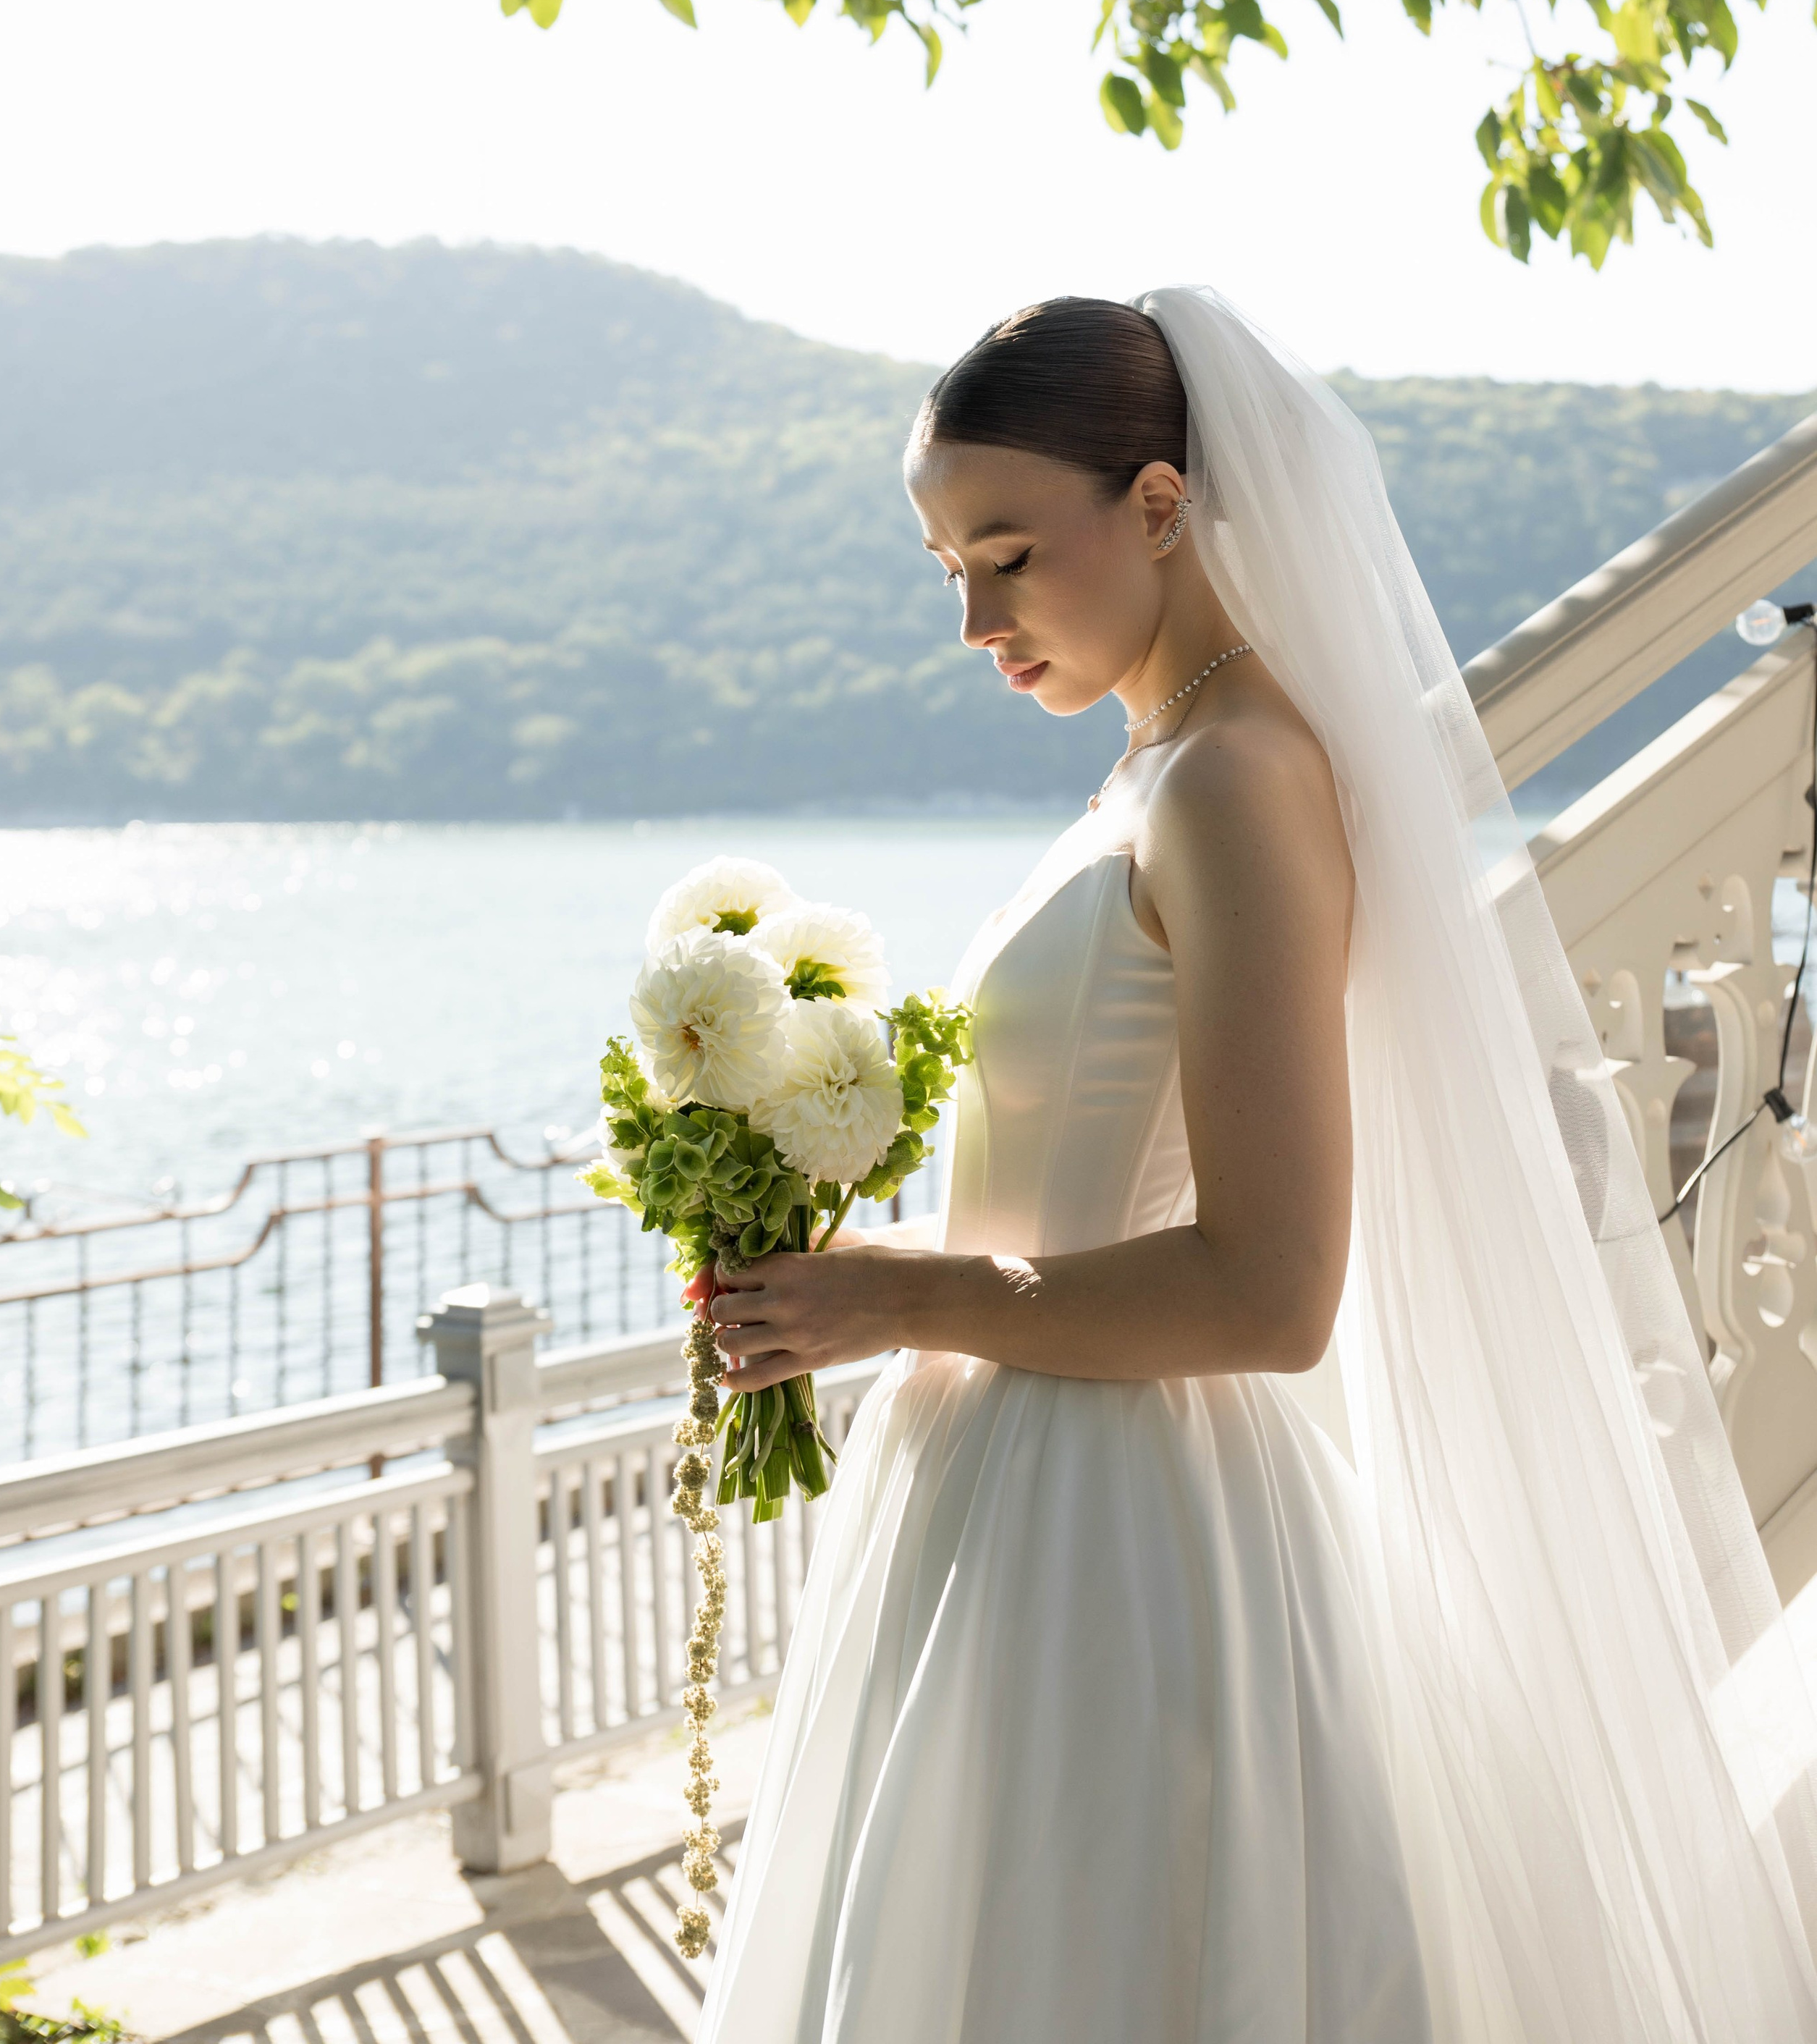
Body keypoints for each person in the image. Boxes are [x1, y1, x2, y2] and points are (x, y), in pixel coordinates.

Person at [696, 289, 1817, 2044]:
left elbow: (1272, 1288)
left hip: (1118, 1524)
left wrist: (890, 1296)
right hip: (1003, 1472)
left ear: (1157, 503)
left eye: (1004, 553)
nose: (973, 619)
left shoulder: (1233, 779)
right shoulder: (1151, 766)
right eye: (943, 568)